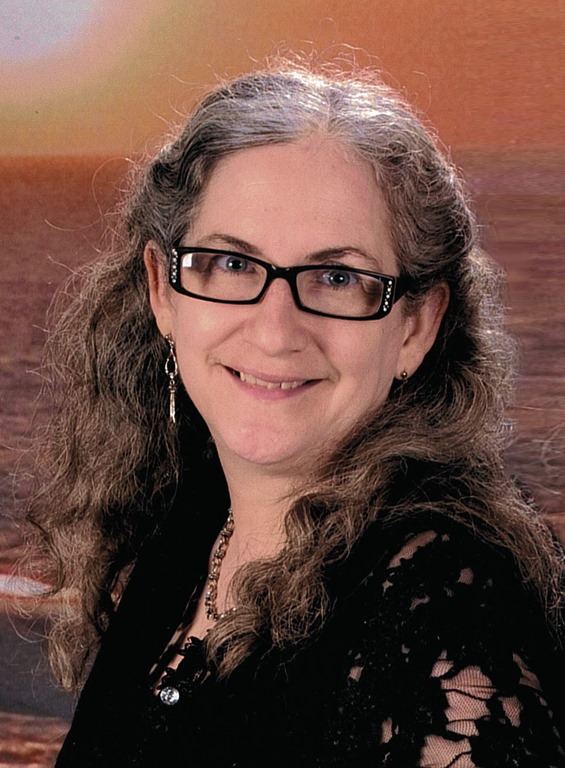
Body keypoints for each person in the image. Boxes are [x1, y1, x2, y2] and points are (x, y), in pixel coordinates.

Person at [26, 61, 564, 766]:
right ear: (164, 291)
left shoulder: (446, 624)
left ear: (415, 326)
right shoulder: (189, 520)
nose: (276, 331)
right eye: (231, 264)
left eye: (337, 277)